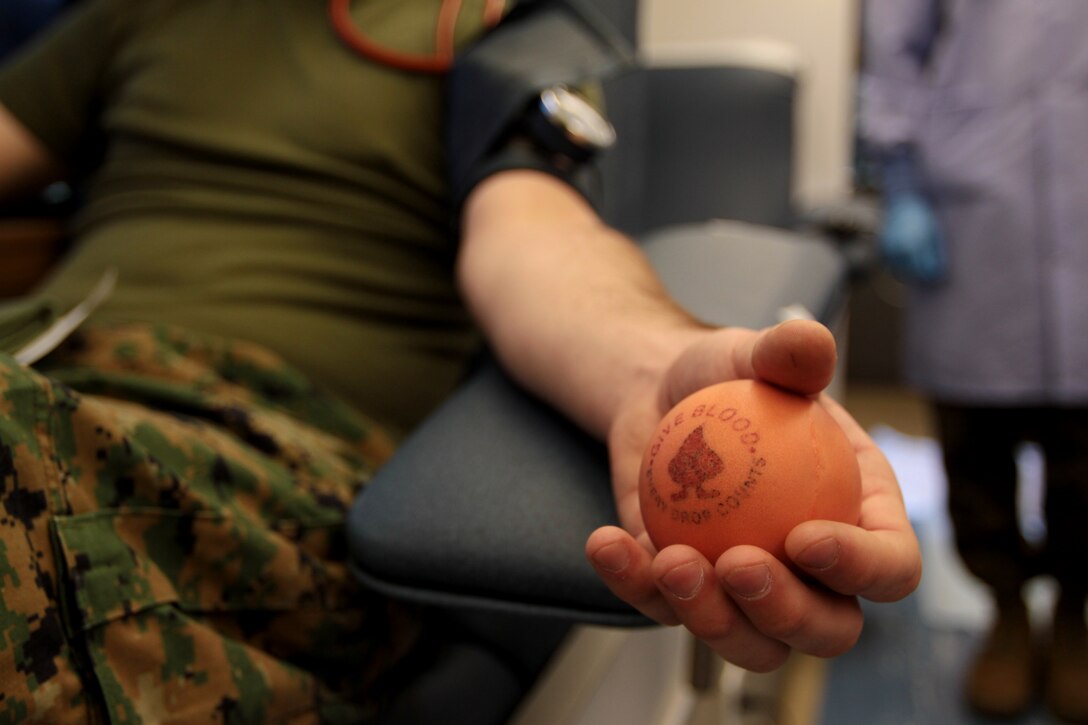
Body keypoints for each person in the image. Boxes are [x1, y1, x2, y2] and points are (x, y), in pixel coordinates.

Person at [0, 0, 921, 720]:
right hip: (45, 366)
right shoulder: (137, 15)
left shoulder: (491, 30)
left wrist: (652, 368)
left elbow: (533, 234)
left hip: (251, 437)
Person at [860, 0, 1088, 721]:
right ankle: (1008, 611)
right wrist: (898, 182)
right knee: (975, 443)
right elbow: (895, 46)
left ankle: (1076, 618)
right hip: (976, 196)